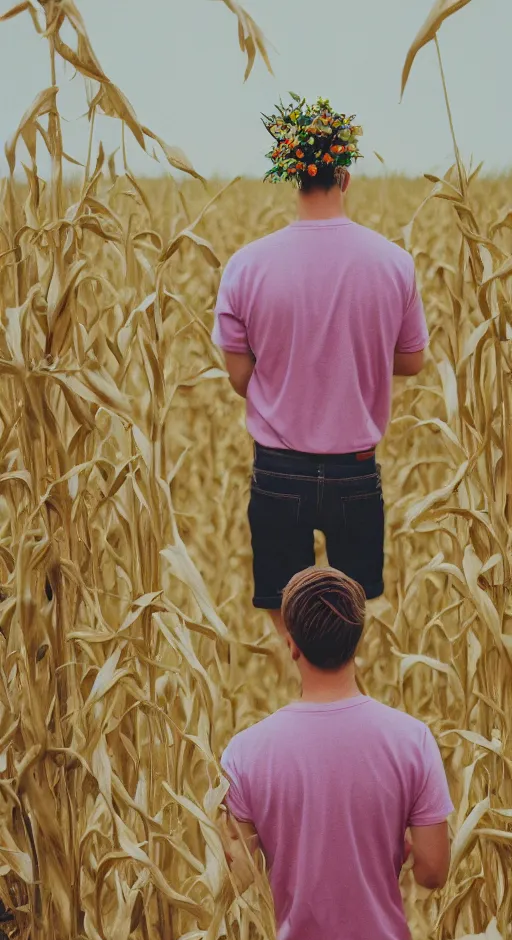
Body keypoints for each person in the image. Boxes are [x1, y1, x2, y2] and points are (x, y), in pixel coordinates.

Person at [221, 566, 453, 940]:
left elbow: (238, 877)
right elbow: (433, 871)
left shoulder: (247, 752)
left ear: (290, 641)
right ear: (360, 638)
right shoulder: (411, 741)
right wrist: (390, 847)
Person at [212, 96, 429, 632]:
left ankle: (306, 697)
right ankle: (343, 699)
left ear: (293, 176)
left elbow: (241, 377)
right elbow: (414, 360)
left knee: (284, 611)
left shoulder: (246, 266)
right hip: (355, 468)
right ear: (345, 176)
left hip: (278, 467)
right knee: (352, 617)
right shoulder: (393, 263)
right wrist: (359, 358)